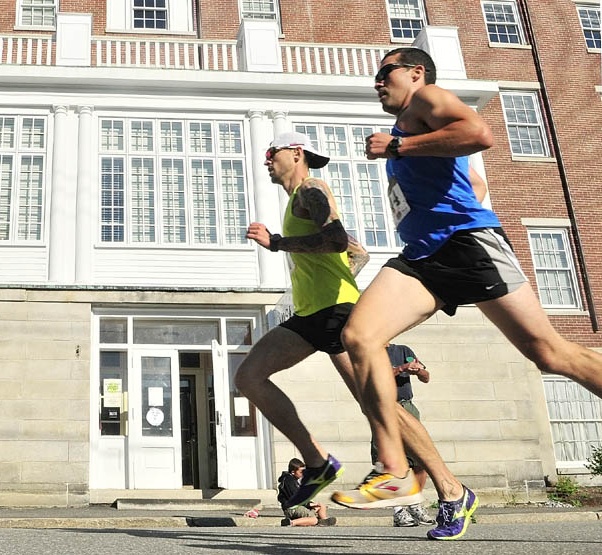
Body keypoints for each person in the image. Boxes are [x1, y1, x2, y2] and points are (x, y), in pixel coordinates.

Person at [330, 47, 602, 541]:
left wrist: (398, 150)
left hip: (467, 247)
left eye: (383, 73)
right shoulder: (410, 124)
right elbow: (472, 180)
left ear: (415, 73)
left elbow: (479, 134)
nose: (376, 83)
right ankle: (394, 468)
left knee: (551, 354)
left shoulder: (425, 100)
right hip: (425, 254)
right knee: (359, 336)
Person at [235, 130, 369, 511]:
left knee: (374, 404)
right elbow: (360, 255)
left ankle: (448, 488)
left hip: (337, 313)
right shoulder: (297, 199)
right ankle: (317, 461)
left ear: (295, 154)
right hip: (312, 313)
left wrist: (277, 243)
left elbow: (339, 240)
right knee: (248, 377)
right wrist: (321, 284)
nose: (266, 161)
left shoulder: (312, 188)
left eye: (270, 152)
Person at [371, 343, 434, 527]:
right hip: (384, 408)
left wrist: (418, 371)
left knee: (421, 459)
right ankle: (398, 511)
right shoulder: (370, 351)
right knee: (389, 461)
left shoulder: (403, 350)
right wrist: (401, 369)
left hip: (408, 407)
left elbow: (426, 377)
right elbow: (375, 378)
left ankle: (414, 503)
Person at [277, 458, 337, 527]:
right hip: (292, 508)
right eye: (301, 472)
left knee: (321, 506)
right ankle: (291, 522)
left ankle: (323, 521)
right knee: (314, 520)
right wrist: (309, 504)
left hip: (299, 506)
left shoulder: (294, 480)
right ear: (293, 472)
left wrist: (311, 503)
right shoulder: (288, 480)